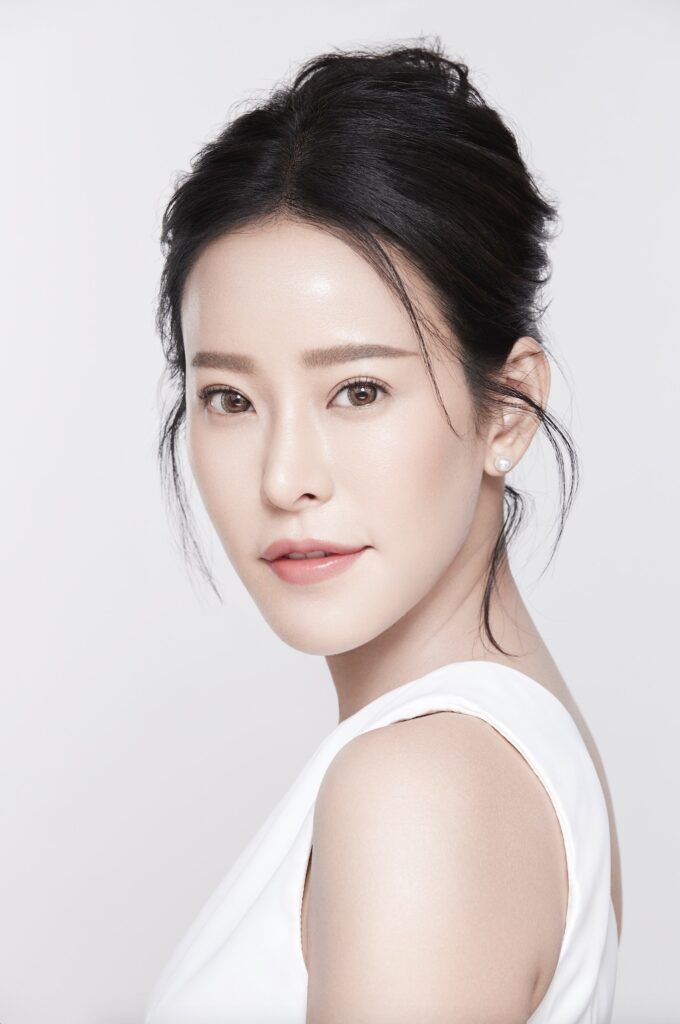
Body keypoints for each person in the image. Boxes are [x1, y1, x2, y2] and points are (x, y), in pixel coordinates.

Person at [145, 37, 621, 1023]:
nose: (285, 478)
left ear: (508, 411)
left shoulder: (422, 787)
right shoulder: (497, 748)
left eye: (357, 390)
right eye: (230, 398)